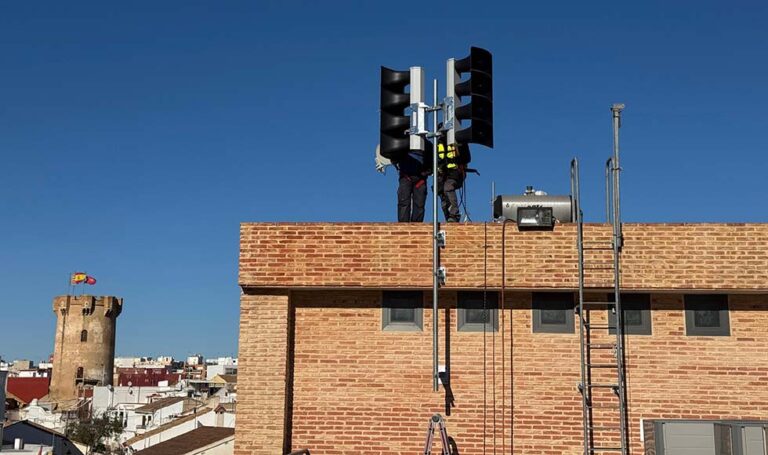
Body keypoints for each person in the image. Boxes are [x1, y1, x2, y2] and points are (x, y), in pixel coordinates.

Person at [437, 137, 468, 222]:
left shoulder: (458, 141)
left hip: (455, 172)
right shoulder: (438, 143)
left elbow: (467, 157)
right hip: (442, 174)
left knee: (448, 187)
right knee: (443, 196)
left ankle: (454, 214)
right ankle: (449, 219)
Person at [395, 148, 430, 222]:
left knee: (419, 204)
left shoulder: (427, 145)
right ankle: (403, 226)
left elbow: (434, 159)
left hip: (420, 179)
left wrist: (427, 171)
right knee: (404, 201)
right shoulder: (404, 143)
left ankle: (416, 226)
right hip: (406, 177)